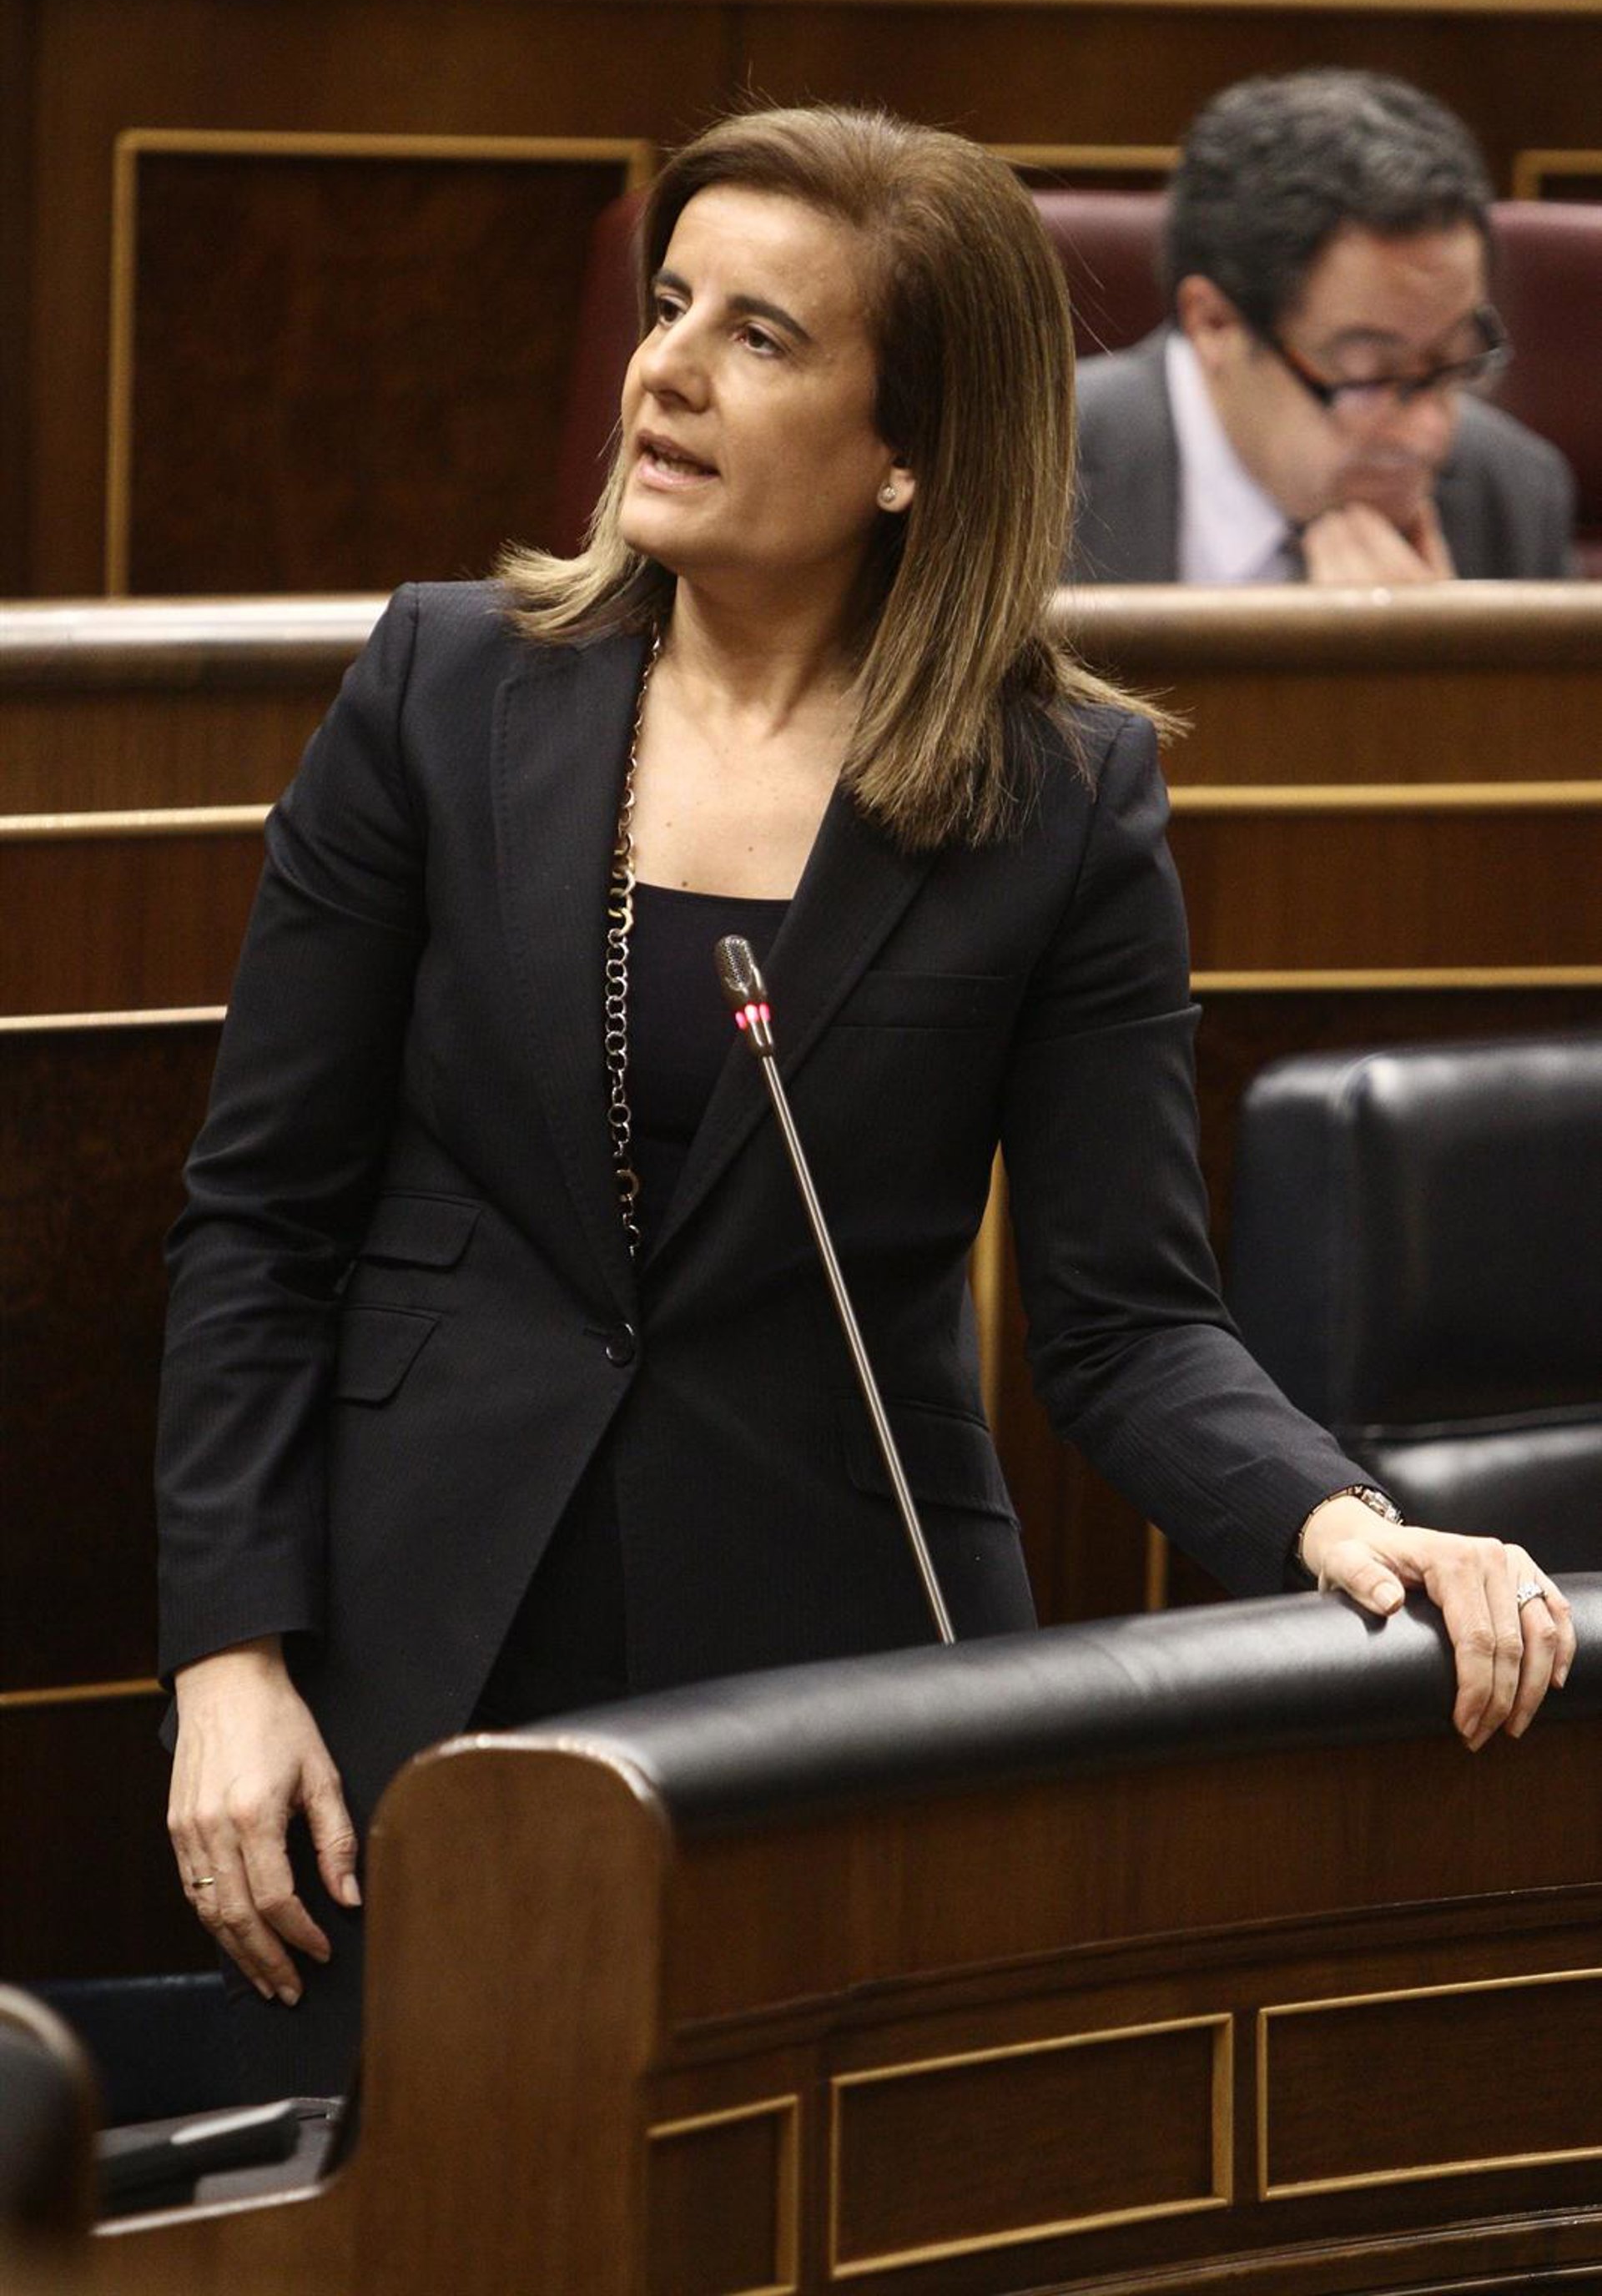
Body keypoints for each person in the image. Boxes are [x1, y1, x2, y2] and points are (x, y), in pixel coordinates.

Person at [159, 103, 1575, 2102]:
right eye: (669, 307)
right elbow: (258, 1220)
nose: (664, 370)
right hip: (406, 1644)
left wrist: (1347, 1519)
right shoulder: (441, 687)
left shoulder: (1056, 799)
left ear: (911, 447)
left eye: (759, 335)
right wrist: (229, 1655)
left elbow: (1126, 1320)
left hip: (824, 1657)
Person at [1069, 68, 1577, 586]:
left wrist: (1450, 640)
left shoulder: (1514, 497)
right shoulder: (1037, 475)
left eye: (1452, 363)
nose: (1429, 434)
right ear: (1215, 324)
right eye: (1370, 374)